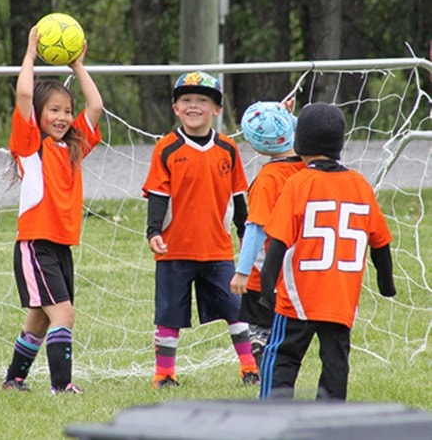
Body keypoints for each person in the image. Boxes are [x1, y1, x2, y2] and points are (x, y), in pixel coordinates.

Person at [259, 102, 396, 401]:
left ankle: (270, 416)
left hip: (299, 297)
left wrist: (265, 287)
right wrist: (387, 284)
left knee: (282, 356)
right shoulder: (360, 184)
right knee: (335, 362)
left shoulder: (297, 183)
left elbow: (279, 240)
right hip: (341, 298)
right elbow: (381, 242)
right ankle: (330, 420)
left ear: (299, 142)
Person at [1, 25, 103, 394]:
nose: (62, 117)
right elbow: (25, 94)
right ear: (39, 116)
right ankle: (63, 387)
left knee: (38, 322)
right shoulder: (30, 146)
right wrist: (30, 54)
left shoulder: (73, 145)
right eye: (54, 111)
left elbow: (96, 106)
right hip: (36, 243)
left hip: (60, 245)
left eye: (66, 111)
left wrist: (77, 65)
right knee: (64, 315)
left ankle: (13, 381)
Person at [142, 71, 258, 389]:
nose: (194, 106)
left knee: (236, 310)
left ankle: (250, 368)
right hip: (175, 249)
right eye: (186, 100)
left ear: (217, 109)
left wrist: (244, 235)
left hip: (217, 249)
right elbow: (158, 195)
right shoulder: (166, 148)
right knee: (169, 315)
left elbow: (238, 199)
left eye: (202, 101)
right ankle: (164, 374)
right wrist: (153, 232)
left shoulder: (228, 150)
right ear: (175, 108)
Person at [230, 100, 305, 372]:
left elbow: (255, 229)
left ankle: (265, 363)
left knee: (260, 329)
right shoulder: (307, 168)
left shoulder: (268, 180)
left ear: (254, 145)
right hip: (297, 271)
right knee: (286, 327)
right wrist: (287, 115)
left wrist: (241, 270)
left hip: (264, 273)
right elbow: (296, 133)